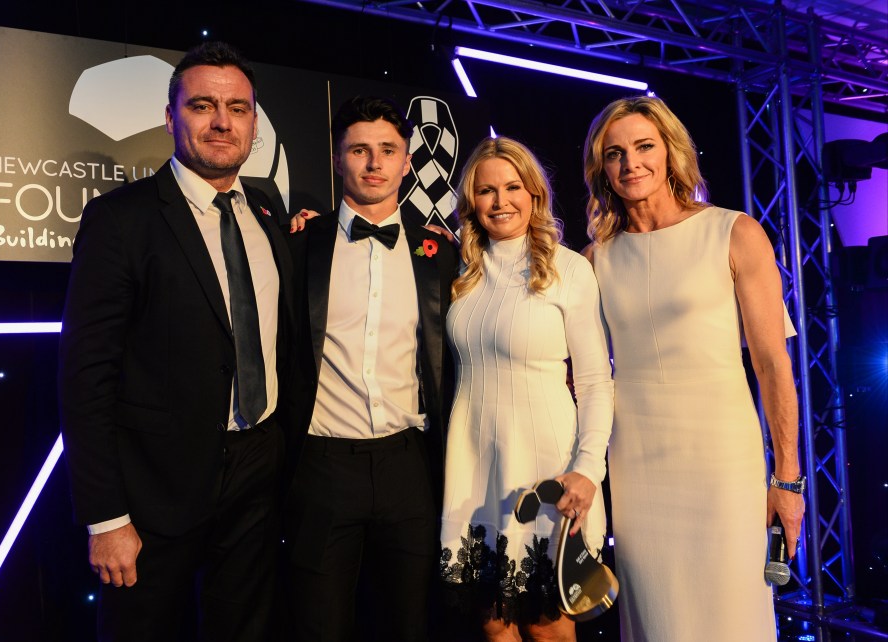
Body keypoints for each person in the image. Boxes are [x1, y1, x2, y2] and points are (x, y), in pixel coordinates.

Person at [58, 42, 293, 641]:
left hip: (257, 471)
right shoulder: (121, 219)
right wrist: (106, 518)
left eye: (238, 108)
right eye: (204, 106)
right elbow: (86, 378)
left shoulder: (267, 210)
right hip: (154, 490)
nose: (222, 122)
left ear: (254, 122)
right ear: (170, 117)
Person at [581, 95, 805, 641]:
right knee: (659, 621)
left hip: (723, 466)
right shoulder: (593, 259)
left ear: (670, 153)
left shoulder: (734, 232)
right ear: (601, 168)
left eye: (643, 147)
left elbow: (774, 367)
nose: (630, 163)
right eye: (615, 153)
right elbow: (582, 375)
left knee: (732, 617)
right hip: (637, 466)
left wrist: (788, 481)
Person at [283, 95, 459, 641]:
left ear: (407, 161)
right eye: (359, 150)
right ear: (337, 159)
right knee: (320, 626)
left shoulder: (442, 253)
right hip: (322, 465)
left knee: (408, 624)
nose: (374, 163)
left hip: (411, 464)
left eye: (388, 150)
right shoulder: (297, 245)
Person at [437, 136, 614, 642]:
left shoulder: (569, 269)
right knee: (494, 628)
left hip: (547, 469)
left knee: (548, 629)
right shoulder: (462, 272)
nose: (501, 201)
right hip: (475, 467)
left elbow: (597, 382)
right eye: (487, 190)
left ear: (534, 194)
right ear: (472, 199)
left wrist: (587, 470)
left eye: (513, 187)